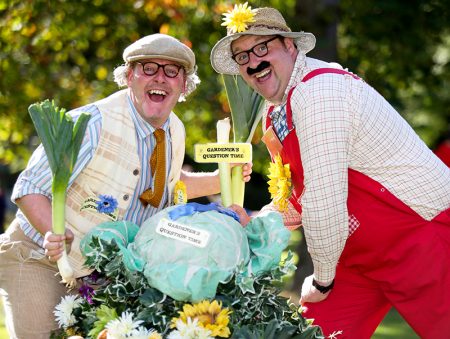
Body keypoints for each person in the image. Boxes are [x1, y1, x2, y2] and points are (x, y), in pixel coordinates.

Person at [211, 6, 450, 338]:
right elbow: (298, 197)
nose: (253, 61)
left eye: (262, 47)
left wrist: (323, 278)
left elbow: (324, 201)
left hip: (422, 238)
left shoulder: (319, 93)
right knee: (315, 334)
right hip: (359, 255)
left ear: (290, 46)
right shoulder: (276, 114)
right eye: (242, 56)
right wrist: (255, 220)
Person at [0, 33, 251, 339]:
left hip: (102, 276)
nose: (160, 78)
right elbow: (29, 186)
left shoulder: (175, 129)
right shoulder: (92, 123)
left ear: (184, 84)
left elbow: (169, 184)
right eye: (148, 68)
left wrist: (221, 178)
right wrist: (52, 231)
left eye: (172, 71)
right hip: (39, 257)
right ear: (129, 76)